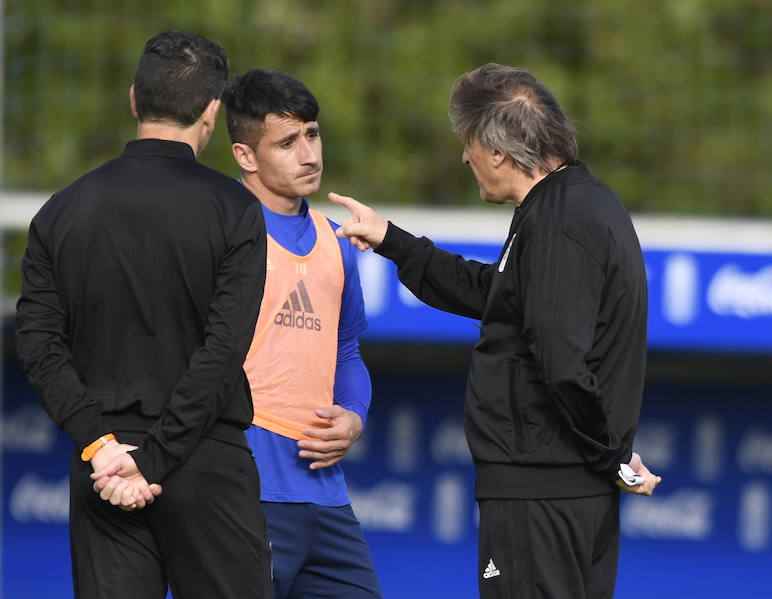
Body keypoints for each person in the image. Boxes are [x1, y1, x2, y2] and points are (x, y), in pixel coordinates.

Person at [329, 63, 662, 599]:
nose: (464, 157)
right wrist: (393, 240)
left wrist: (613, 457)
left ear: (497, 150)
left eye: (468, 143)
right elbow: (498, 296)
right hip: (564, 487)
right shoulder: (570, 204)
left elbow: (562, 364)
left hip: (542, 494)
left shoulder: (559, 220)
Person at [15, 31, 271, 599]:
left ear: (134, 99)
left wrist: (100, 446)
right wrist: (153, 460)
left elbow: (36, 342)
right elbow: (223, 350)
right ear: (211, 112)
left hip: (102, 467)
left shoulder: (61, 210)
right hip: (202, 462)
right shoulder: (235, 208)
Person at [221, 68, 382, 599]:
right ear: (246, 156)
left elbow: (346, 349)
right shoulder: (219, 231)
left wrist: (355, 415)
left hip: (326, 496)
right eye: (286, 142)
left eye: (312, 134)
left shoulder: (336, 241)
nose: (309, 153)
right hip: (245, 490)